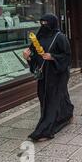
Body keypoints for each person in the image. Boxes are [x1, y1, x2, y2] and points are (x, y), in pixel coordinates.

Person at [23, 14, 74, 142]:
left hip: (57, 74)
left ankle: (45, 130)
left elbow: (67, 57)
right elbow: (35, 57)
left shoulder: (60, 37)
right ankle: (66, 114)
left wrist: (52, 57)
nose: (44, 25)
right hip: (43, 74)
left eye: (47, 23)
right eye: (42, 23)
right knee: (45, 96)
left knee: (52, 99)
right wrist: (28, 57)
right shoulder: (39, 37)